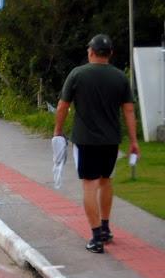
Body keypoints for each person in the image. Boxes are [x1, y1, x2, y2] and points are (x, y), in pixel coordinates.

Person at [54, 34, 140, 254]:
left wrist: (58, 131)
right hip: (111, 141)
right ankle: (105, 228)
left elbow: (63, 106)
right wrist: (133, 140)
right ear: (110, 53)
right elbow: (129, 110)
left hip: (85, 141)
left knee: (89, 185)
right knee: (106, 181)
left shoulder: (77, 74)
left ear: (90, 52)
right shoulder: (120, 77)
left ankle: (95, 238)